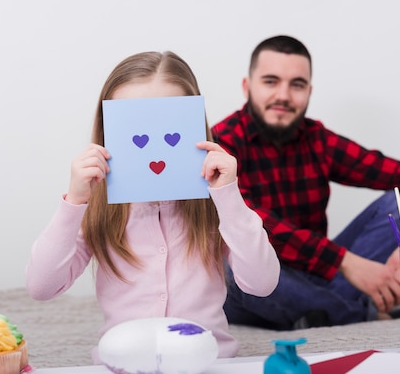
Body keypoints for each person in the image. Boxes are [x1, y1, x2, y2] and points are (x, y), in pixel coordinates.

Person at [25, 51, 280, 362]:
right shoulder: (97, 207)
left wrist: (228, 195)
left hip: (209, 363)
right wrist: (74, 202)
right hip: (122, 364)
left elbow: (262, 283)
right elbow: (41, 286)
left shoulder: (216, 202)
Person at [211, 35, 400, 330]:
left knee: (395, 205)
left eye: (296, 85)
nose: (283, 95)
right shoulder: (222, 142)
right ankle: (365, 314)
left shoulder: (318, 140)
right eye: (270, 81)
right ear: (247, 87)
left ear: (308, 91)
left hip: (318, 273)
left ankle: (321, 312)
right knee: (230, 265)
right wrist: (346, 262)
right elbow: (249, 220)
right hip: (262, 284)